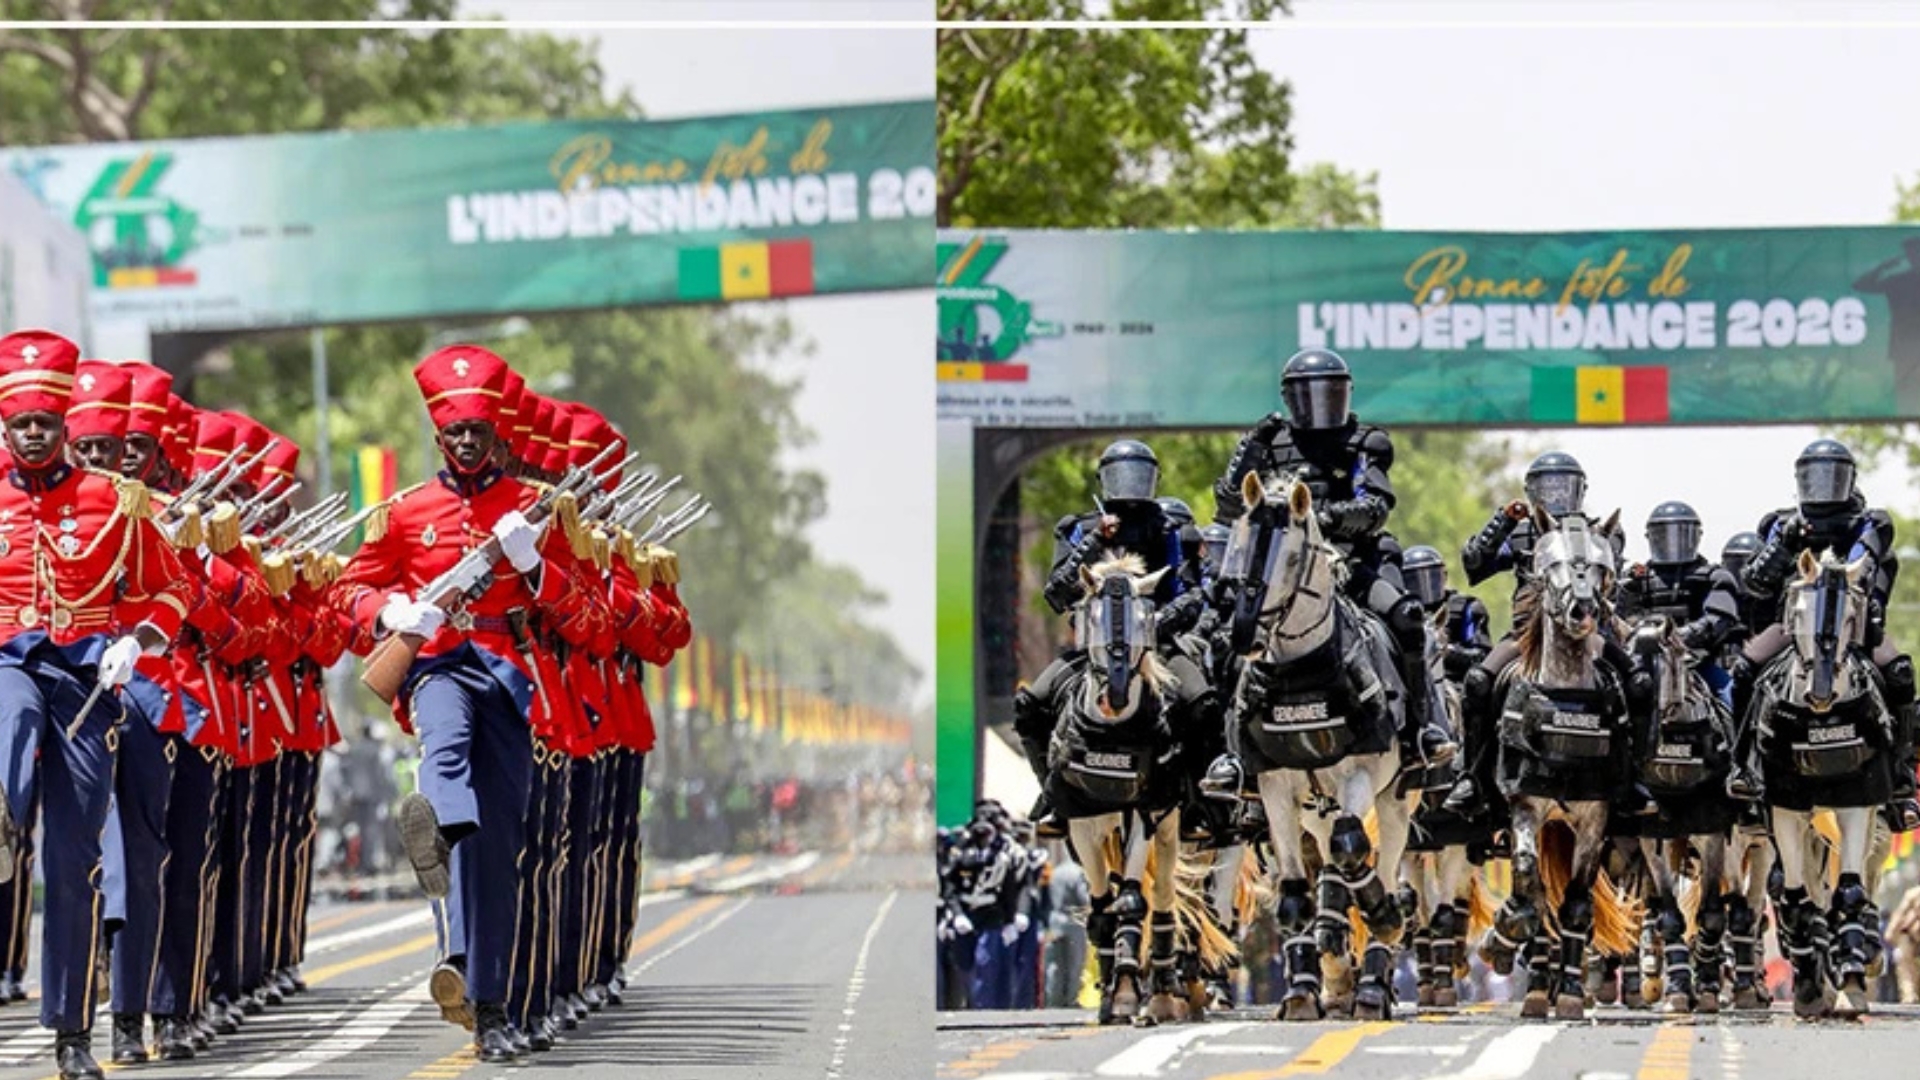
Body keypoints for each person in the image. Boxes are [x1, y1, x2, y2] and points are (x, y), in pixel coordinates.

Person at [330, 344, 608, 1062]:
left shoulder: (534, 512)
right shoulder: (405, 513)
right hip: (437, 666)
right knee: (442, 744)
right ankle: (440, 824)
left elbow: (587, 617)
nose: (464, 443)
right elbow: (347, 590)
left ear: (497, 437)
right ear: (437, 438)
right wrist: (390, 611)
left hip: (510, 675)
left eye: (476, 433)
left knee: (497, 857)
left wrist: (535, 566)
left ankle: (492, 1007)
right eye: (453, 433)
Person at [0, 330, 194, 1080]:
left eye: (46, 422)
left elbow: (170, 588)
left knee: (76, 860)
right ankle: (4, 812)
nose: (34, 434)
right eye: (20, 423)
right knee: (9, 715)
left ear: (64, 426)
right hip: (10, 662)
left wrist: (138, 638)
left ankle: (72, 1029)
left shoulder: (115, 501)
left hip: (85, 682)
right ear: (6, 426)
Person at [1204, 347, 1455, 797]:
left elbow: (1374, 507)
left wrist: (1318, 517)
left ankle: (1423, 732)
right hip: (1281, 568)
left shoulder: (1366, 441)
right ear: (1289, 399)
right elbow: (1227, 506)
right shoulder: (1271, 442)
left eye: (1328, 392)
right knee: (1228, 637)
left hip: (1356, 561)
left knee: (1409, 621)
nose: (1318, 403)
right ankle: (1231, 755)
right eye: (1306, 394)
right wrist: (1250, 448)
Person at [1012, 439, 1210, 835]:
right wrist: (1095, 542)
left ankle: (1199, 803)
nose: (1131, 485)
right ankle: (1051, 796)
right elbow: (1056, 593)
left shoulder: (1171, 528)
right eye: (1122, 475)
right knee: (1030, 705)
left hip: (1156, 647)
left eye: (1141, 475)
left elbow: (1191, 594)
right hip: (1090, 651)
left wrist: (1155, 625)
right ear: (1103, 480)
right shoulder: (1078, 529)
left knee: (1202, 702)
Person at [1727, 439, 1920, 829]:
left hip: (1855, 624)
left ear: (1849, 480)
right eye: (1814, 477)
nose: (1823, 485)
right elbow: (1754, 583)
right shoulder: (1777, 523)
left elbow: (1862, 562)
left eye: (1832, 476)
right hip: (1792, 624)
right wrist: (1783, 544)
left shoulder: (1872, 520)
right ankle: (1745, 768)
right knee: (1744, 670)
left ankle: (1901, 775)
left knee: (1900, 671)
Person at [1442, 451, 1648, 816]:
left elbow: (1611, 570)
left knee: (1639, 685)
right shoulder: (1522, 532)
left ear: (1580, 491)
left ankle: (1634, 779)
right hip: (1528, 636)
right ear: (1531, 491)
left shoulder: (1596, 534)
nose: (1555, 496)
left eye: (1563, 487)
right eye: (1545, 488)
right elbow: (1475, 563)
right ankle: (1471, 776)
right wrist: (1502, 521)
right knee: (1477, 682)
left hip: (1590, 634)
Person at [1614, 501, 1742, 712]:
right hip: (1643, 663)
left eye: (1680, 534)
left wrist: (1677, 638)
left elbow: (1720, 618)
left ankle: (1739, 746)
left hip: (1698, 662)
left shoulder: (1715, 576)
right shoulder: (1636, 577)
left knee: (1731, 697)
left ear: (1696, 536)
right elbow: (1619, 621)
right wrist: (1627, 592)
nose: (1672, 543)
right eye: (1664, 536)